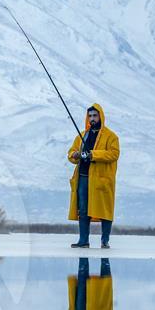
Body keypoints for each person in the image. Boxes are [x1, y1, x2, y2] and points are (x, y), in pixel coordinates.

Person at [67, 103, 120, 248]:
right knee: (83, 210)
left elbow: (114, 154)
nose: (92, 118)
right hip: (83, 178)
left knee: (105, 210)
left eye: (95, 115)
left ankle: (105, 241)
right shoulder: (81, 136)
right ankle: (83, 240)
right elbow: (71, 153)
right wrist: (75, 155)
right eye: (90, 116)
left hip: (101, 180)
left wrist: (92, 154)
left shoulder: (111, 137)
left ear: (101, 116)